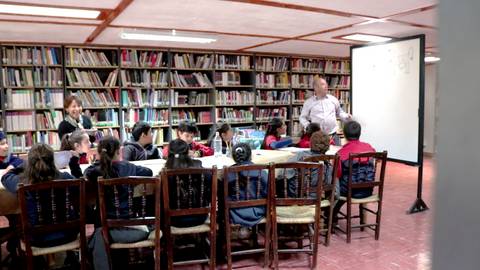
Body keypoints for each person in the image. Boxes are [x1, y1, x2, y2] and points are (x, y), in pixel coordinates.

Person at [85, 136, 153, 270]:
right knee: (99, 234)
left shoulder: (97, 171)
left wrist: (98, 163)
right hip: (132, 226)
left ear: (100, 154)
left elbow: (87, 173)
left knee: (98, 234)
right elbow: (148, 172)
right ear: (119, 151)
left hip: (107, 227)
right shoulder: (129, 167)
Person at [1, 143, 80, 248]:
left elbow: (6, 177)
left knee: (17, 223)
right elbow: (78, 187)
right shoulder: (66, 177)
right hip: (68, 234)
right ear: (52, 161)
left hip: (37, 239)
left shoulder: (22, 182)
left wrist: (23, 165)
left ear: (30, 164)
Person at [332, 121, 376, 222]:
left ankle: (331, 218)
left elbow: (337, 174)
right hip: (368, 189)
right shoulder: (369, 148)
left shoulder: (341, 153)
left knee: (333, 184)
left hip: (349, 191)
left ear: (344, 134)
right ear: (359, 133)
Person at [165, 139, 211, 227]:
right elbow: (210, 182)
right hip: (200, 217)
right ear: (187, 152)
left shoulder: (166, 172)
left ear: (169, 153)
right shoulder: (198, 166)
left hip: (174, 219)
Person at [279, 130, 334, 198]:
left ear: (310, 143)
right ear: (328, 146)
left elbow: (283, 174)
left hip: (300, 197)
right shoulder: (329, 161)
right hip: (321, 197)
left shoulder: (301, 156)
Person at [299, 75, 351, 145]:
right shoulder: (309, 102)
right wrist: (308, 126)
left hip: (333, 135)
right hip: (317, 136)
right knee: (319, 155)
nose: (326, 86)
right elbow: (302, 117)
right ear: (316, 87)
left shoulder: (333, 99)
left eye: (326, 84)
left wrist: (346, 117)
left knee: (335, 154)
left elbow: (339, 112)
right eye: (323, 84)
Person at [227, 143, 268, 227]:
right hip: (257, 212)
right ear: (250, 155)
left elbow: (225, 196)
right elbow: (268, 193)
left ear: (234, 158)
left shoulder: (228, 173)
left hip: (235, 212)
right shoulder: (262, 172)